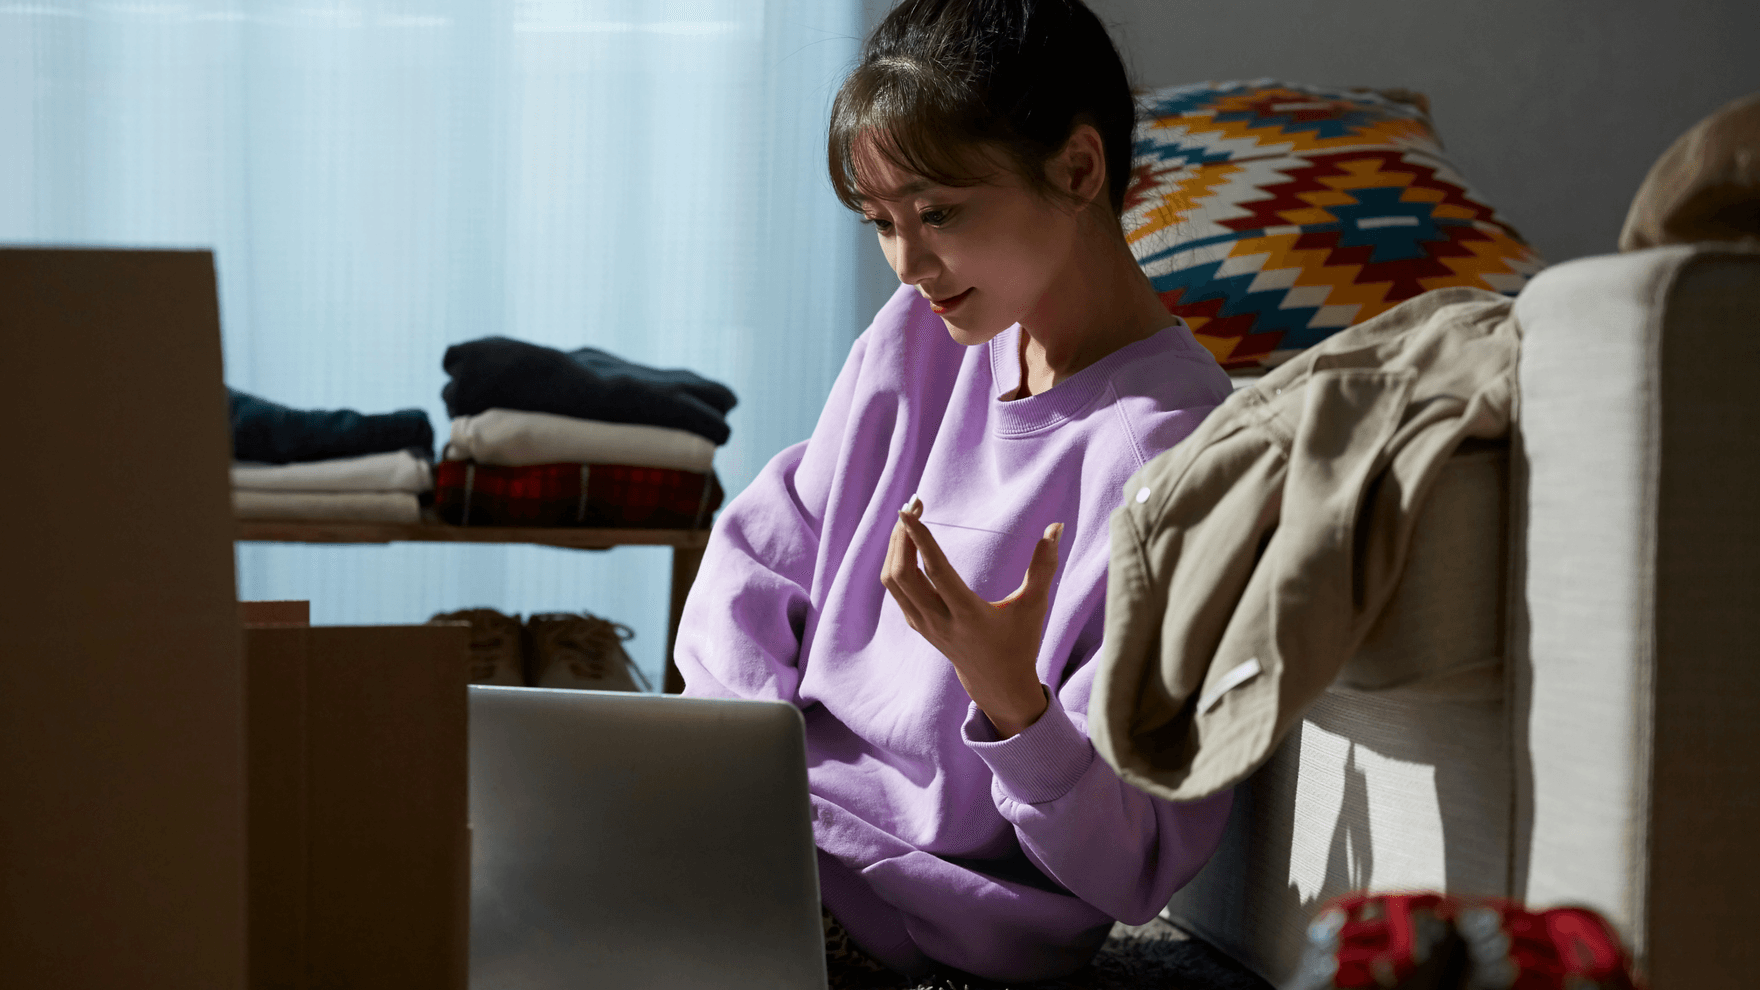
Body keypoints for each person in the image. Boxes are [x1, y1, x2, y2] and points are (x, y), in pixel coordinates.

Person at [675, 0, 1235, 982]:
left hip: (900, 936)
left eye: (937, 213)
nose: (908, 263)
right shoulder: (916, 339)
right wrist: (734, 773)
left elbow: (1135, 862)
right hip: (758, 853)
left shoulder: (1172, 451)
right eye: (881, 223)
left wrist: (1012, 700)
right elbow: (761, 555)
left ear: (1076, 169)